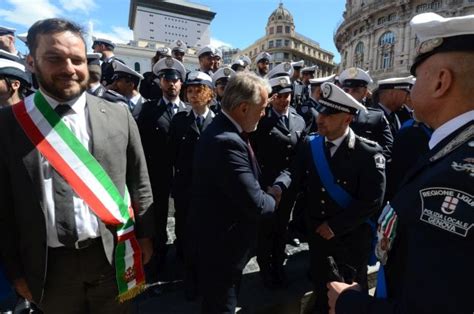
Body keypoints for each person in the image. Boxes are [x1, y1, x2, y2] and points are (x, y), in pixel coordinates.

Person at [0, 18, 154, 313]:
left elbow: (139, 181)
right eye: (54, 58)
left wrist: (146, 236)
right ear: (31, 62)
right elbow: (4, 208)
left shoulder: (119, 115)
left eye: (77, 59)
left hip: (113, 256)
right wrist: (15, 271)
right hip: (49, 267)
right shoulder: (8, 125)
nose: (69, 68)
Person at [328, 12, 474, 314]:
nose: (411, 87)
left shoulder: (457, 177)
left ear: (441, 82)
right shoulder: (452, 149)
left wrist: (349, 304)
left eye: (417, 76)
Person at [276, 82, 385, 314]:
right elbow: (293, 173)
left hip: (351, 239)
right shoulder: (311, 144)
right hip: (318, 237)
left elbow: (372, 200)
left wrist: (335, 226)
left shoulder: (368, 153)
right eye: (321, 110)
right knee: (322, 286)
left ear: (347, 119)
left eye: (329, 113)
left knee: (351, 293)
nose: (320, 117)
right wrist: (278, 187)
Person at [189, 72, 287, 313]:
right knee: (222, 305)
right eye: (262, 107)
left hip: (220, 244)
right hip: (222, 249)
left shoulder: (224, 129)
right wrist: (274, 194)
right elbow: (258, 204)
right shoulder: (227, 141)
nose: (264, 114)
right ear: (244, 108)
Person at [251, 72, 306, 289]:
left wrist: (286, 183)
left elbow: (299, 156)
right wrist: (264, 185)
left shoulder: (299, 119)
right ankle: (266, 268)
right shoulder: (262, 120)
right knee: (266, 229)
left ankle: (278, 265)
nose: (284, 100)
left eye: (288, 95)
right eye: (279, 96)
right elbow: (252, 155)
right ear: (272, 97)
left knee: (282, 227)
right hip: (266, 187)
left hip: (288, 186)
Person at [136, 57, 189, 271]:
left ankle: (183, 251)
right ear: (160, 83)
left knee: (183, 214)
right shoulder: (148, 110)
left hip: (183, 174)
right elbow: (141, 143)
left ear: (181, 83)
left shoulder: (188, 110)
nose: (171, 84)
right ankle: (158, 253)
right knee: (158, 215)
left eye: (175, 80)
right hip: (157, 172)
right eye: (166, 80)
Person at [169, 71, 216, 299]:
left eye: (199, 90)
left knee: (207, 236)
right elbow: (171, 155)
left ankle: (205, 277)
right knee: (185, 233)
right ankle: (188, 279)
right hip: (185, 190)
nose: (194, 95)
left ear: (210, 95)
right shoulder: (179, 120)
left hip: (209, 193)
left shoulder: (218, 122)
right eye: (190, 90)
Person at [339, 67, 394, 159]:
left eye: (355, 90)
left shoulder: (377, 117)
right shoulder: (330, 114)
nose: (349, 94)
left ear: (364, 93)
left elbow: (388, 149)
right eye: (346, 90)